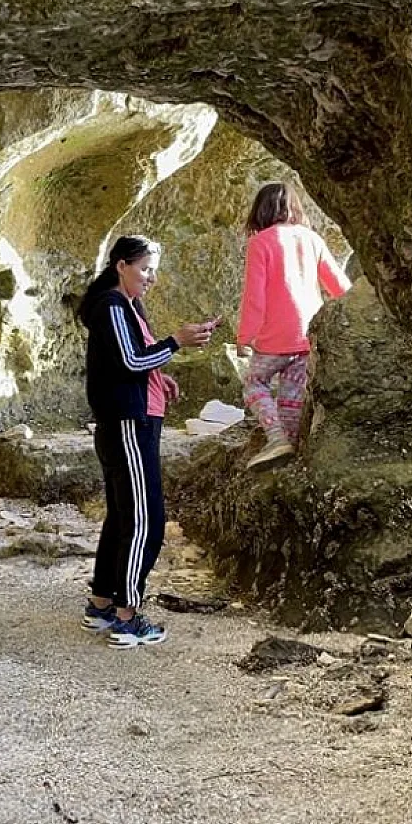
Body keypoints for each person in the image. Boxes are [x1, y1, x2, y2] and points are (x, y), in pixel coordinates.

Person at [77, 236, 214, 648]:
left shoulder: (128, 305)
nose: (151, 277)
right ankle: (127, 616)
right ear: (121, 265)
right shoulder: (112, 305)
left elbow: (133, 361)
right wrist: (177, 341)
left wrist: (158, 376)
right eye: (144, 269)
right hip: (128, 424)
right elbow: (131, 360)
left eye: (154, 270)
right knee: (146, 521)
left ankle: (102, 604)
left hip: (132, 419)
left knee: (122, 517)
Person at [235, 182, 351, 471]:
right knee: (291, 396)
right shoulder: (312, 239)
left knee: (254, 383)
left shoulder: (261, 242)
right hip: (307, 333)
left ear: (260, 211)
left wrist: (245, 336)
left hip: (274, 336)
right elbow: (338, 285)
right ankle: (288, 449)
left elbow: (254, 296)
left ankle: (276, 439)